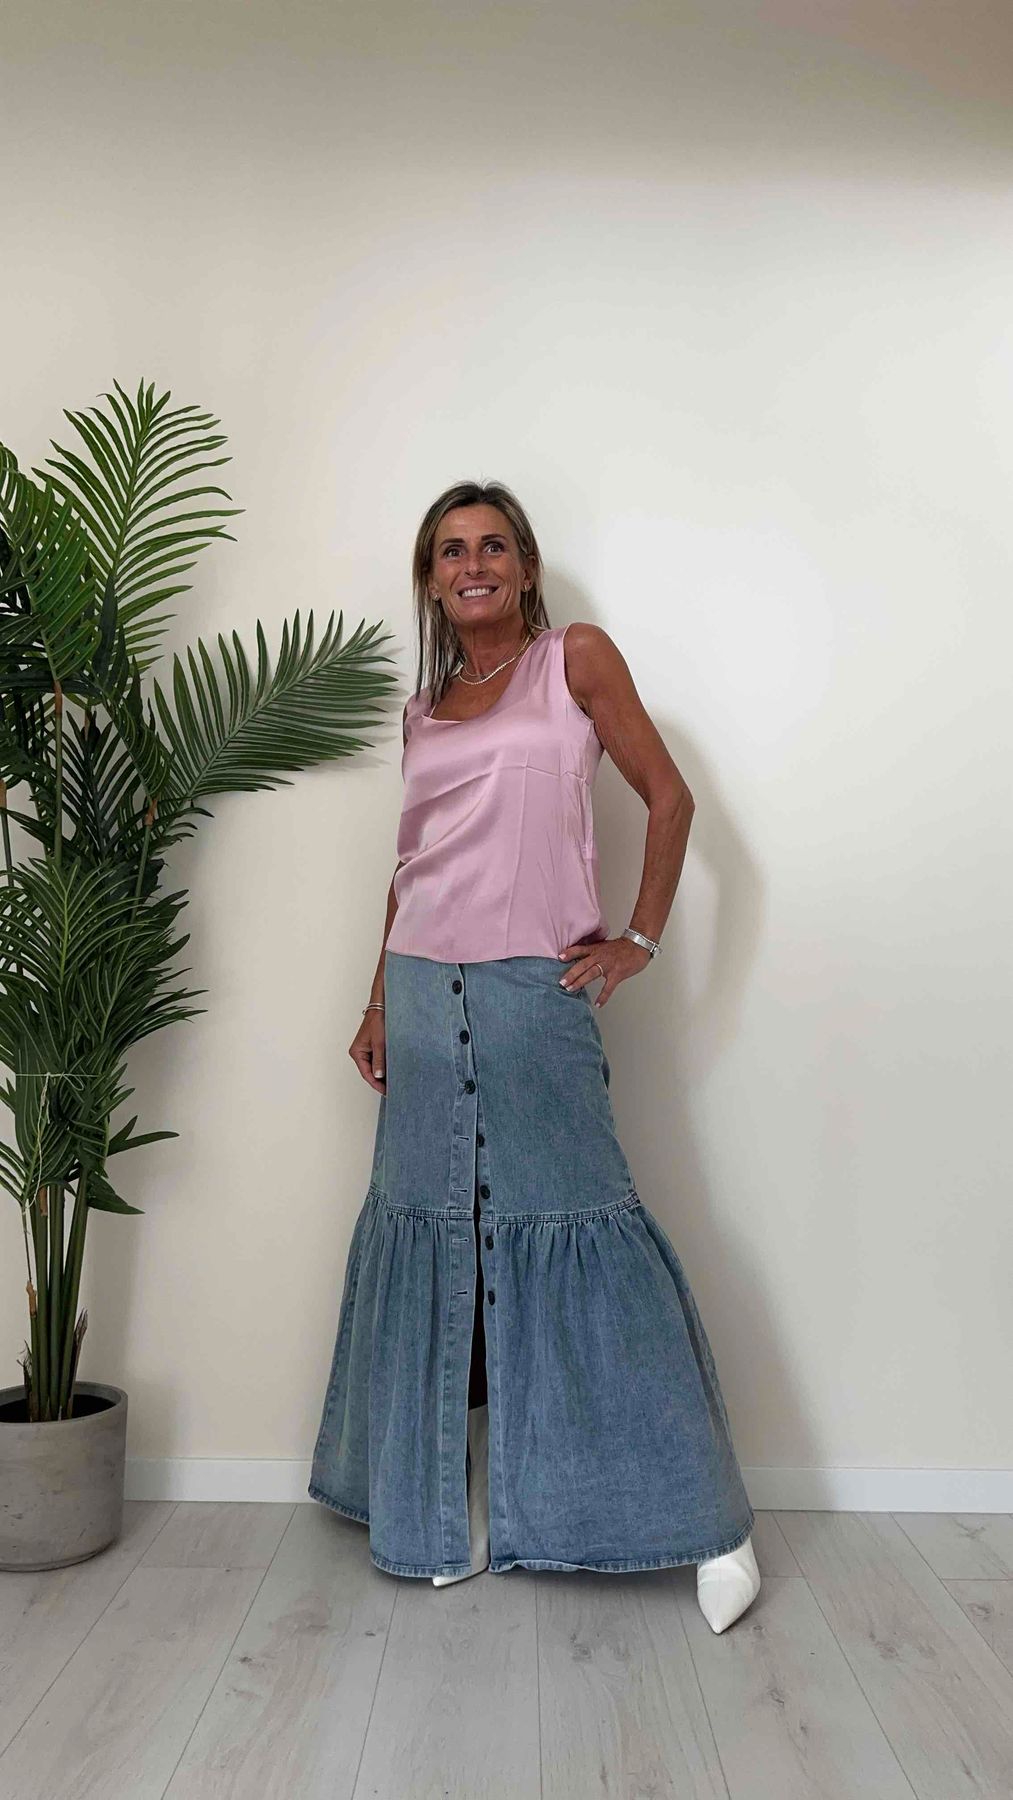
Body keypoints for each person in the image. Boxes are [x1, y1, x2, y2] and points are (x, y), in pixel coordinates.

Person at [309, 480, 760, 1634]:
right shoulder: (420, 711)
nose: (473, 564)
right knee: (436, 1239)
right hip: (420, 994)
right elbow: (410, 869)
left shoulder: (575, 662)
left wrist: (637, 939)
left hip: (532, 996)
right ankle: (441, 1508)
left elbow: (669, 798)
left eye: (492, 546)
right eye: (450, 550)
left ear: (523, 565)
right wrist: (375, 1000)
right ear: (429, 580)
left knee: (584, 1230)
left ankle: (708, 1523)